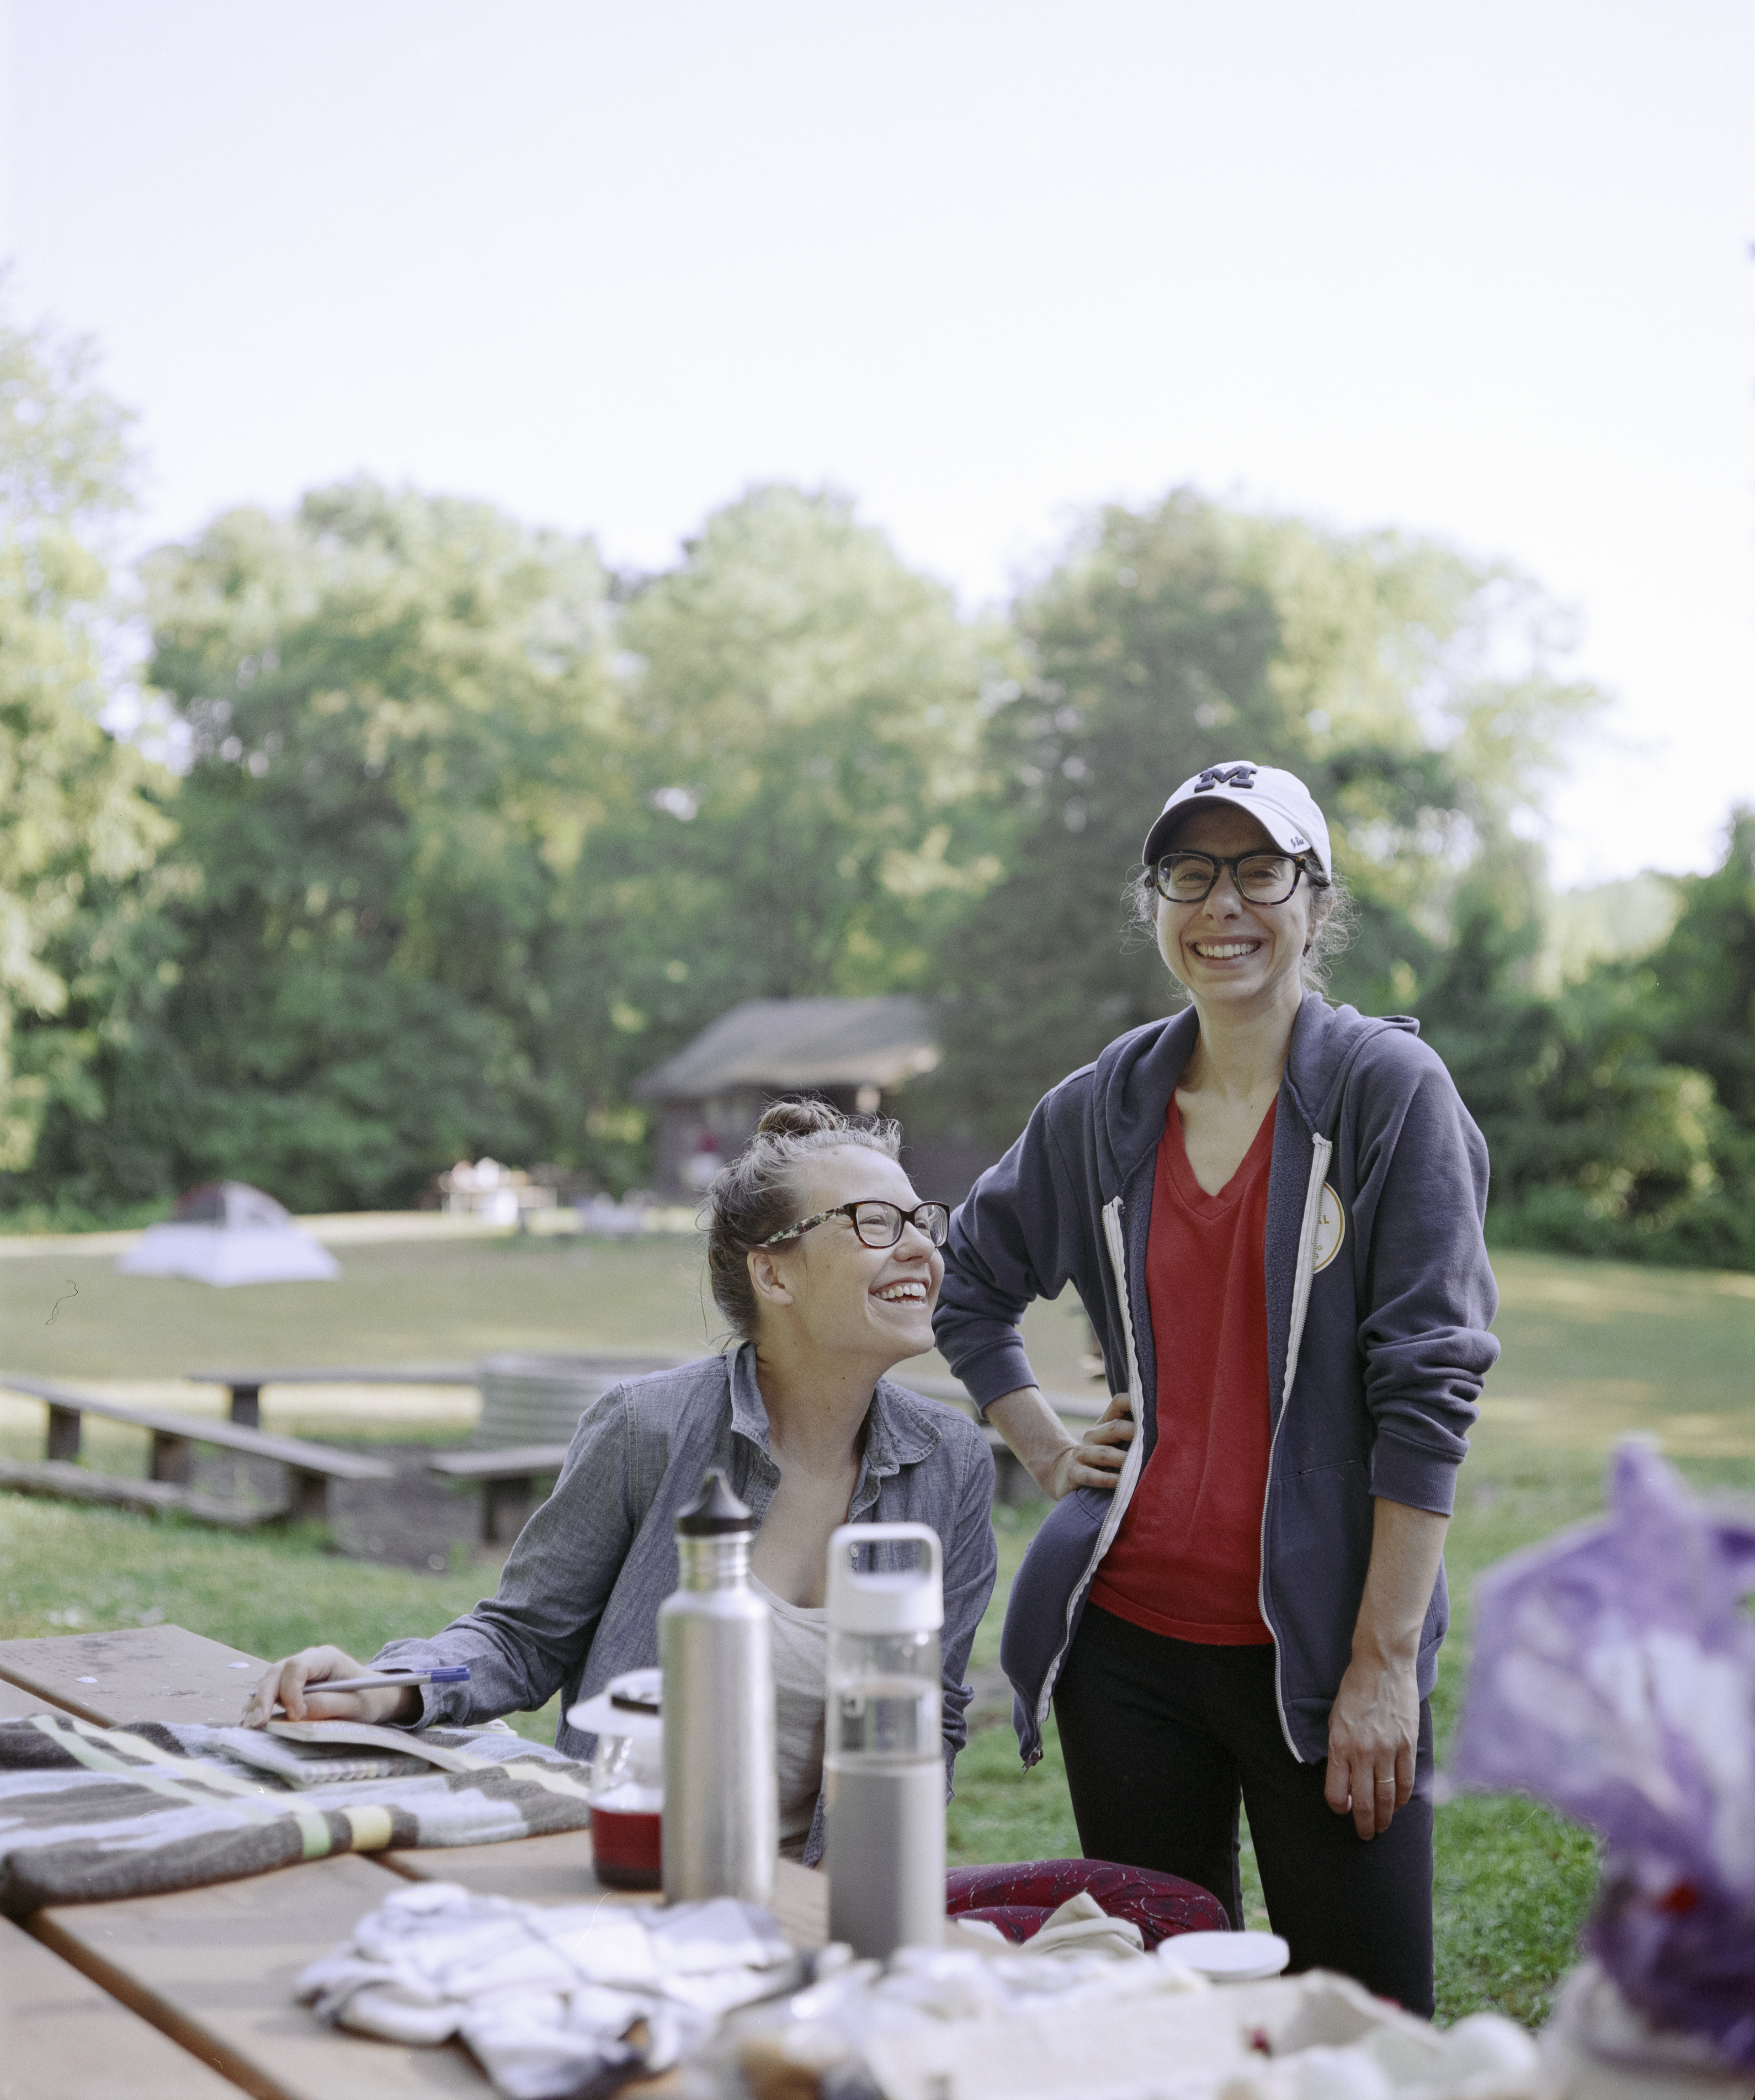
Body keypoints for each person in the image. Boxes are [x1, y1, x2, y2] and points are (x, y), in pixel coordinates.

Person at [933, 759, 1499, 2013]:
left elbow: (1431, 1388)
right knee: (1160, 2021)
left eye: (1258, 870)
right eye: (1189, 873)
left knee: (1362, 2025)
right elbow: (966, 1276)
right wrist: (1040, 1443)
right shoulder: (1103, 1106)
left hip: (1322, 1650)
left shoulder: (1388, 1094)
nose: (1222, 904)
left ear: (1314, 897)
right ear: (1156, 903)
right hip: (1126, 1652)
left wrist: (1383, 1663)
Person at [247, 1099, 999, 1866]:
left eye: (922, 1222)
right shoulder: (650, 1430)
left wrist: (862, 1895)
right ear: (772, 1273)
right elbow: (524, 1637)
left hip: (831, 1896)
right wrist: (385, 1687)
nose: (920, 1249)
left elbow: (928, 1717)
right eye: (876, 1222)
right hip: (638, 1873)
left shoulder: (952, 1464)